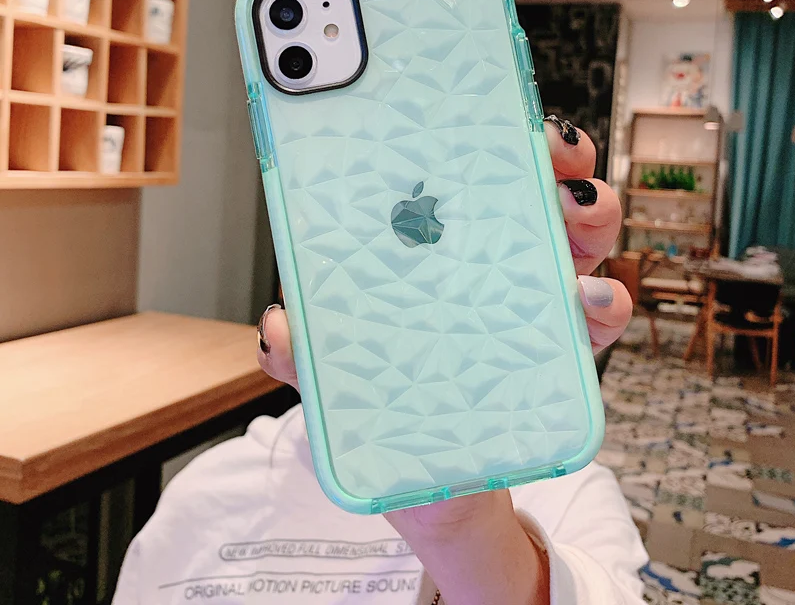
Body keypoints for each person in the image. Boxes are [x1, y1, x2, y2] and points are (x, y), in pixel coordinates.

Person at [112, 117, 647, 605]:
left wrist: (465, 532)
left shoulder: (565, 490)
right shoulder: (203, 499)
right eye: (357, 225)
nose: (403, 266)